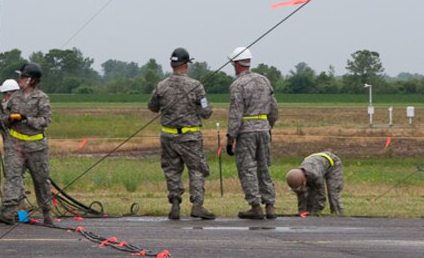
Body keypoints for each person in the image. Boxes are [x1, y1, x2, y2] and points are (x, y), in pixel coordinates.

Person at [147, 47, 215, 220]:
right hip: (190, 137)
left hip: (168, 136)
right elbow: (206, 112)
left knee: (171, 170)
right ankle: (197, 205)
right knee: (197, 170)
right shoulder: (196, 86)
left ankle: (175, 203)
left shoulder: (161, 86)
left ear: (172, 64)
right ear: (186, 65)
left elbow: (152, 107)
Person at [226, 47, 279, 220]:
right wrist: (268, 126)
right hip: (263, 128)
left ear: (237, 64)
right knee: (264, 167)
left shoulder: (237, 85)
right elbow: (274, 109)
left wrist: (230, 137)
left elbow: (236, 113)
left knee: (247, 168)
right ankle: (270, 205)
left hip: (246, 130)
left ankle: (255, 206)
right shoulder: (264, 80)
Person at [0, 63, 53, 225]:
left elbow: (45, 121)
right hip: (15, 144)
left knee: (41, 179)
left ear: (31, 80)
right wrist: (9, 119)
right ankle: (8, 212)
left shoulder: (42, 98)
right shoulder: (14, 98)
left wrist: (26, 119)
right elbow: (2, 119)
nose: (20, 79)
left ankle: (47, 212)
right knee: (13, 177)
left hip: (36, 146)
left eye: (22, 77)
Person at [286, 151, 344, 216]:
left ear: (304, 181)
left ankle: (338, 215)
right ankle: (310, 212)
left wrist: (315, 213)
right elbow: (301, 196)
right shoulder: (299, 177)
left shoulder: (315, 175)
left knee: (333, 193)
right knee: (311, 195)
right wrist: (302, 212)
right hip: (317, 164)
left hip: (333, 164)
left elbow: (321, 196)